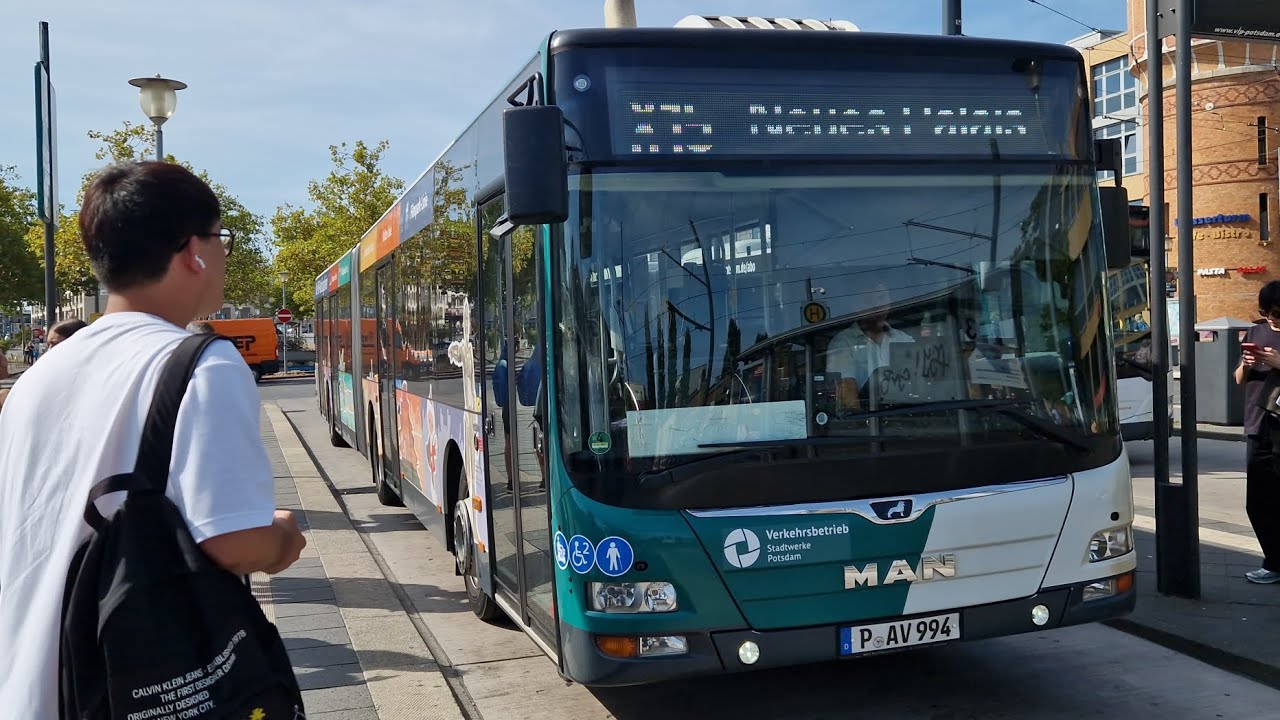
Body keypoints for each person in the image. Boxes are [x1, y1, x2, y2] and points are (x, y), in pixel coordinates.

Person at [0, 161, 306, 712]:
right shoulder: (202, 364)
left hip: (32, 686)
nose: (223, 255)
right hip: (133, 688)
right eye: (221, 240)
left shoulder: (37, 378)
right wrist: (283, 537)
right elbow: (231, 540)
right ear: (193, 251)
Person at [1234, 279, 1280, 584]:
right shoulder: (1255, 332)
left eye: (1276, 313)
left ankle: (1274, 564)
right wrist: (1247, 364)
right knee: (1258, 502)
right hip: (1257, 424)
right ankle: (1274, 561)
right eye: (1265, 312)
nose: (1271, 319)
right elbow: (1239, 379)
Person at [826, 283, 914, 405]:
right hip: (867, 413)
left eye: (882, 298)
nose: (878, 305)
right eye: (869, 301)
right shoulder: (843, 343)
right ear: (856, 307)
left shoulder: (904, 339)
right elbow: (847, 393)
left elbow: (918, 381)